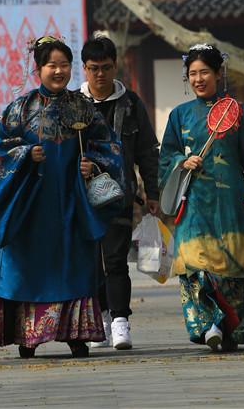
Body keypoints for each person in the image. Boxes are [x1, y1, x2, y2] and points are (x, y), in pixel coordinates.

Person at [0, 36, 124, 359]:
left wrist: (93, 164)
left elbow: (110, 146)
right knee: (29, 267)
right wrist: (24, 154)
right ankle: (28, 336)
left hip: (72, 203)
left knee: (74, 265)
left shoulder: (82, 107)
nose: (59, 71)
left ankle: (76, 333)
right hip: (31, 205)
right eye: (51, 65)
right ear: (39, 69)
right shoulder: (21, 108)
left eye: (64, 65)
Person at [159, 43, 244, 353]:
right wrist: (181, 161)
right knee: (194, 263)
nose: (198, 79)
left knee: (232, 267)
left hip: (231, 204)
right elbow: (166, 156)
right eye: (192, 74)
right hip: (194, 203)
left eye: (204, 72)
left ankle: (230, 329)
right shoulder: (178, 115)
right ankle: (209, 325)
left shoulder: (236, 111)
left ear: (218, 73)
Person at [79, 33, 160, 352]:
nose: (100, 74)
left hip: (120, 195)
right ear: (84, 69)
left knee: (115, 260)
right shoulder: (73, 104)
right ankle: (98, 318)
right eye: (93, 68)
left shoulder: (131, 104)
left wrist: (152, 192)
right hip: (80, 197)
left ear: (116, 67)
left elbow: (147, 152)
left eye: (106, 67)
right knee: (89, 261)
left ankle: (120, 321)